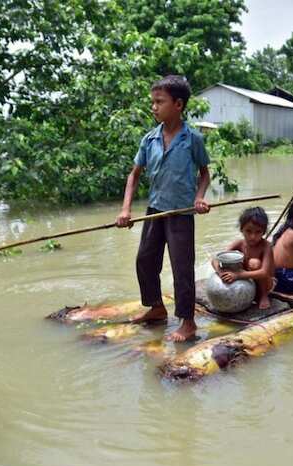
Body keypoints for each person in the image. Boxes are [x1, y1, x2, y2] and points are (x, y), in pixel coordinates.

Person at [115, 75, 210, 342]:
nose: (154, 107)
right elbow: (134, 175)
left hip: (181, 214)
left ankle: (188, 322)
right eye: (153, 102)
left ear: (178, 104)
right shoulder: (149, 139)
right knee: (145, 260)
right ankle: (156, 308)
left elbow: (204, 174)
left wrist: (199, 198)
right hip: (155, 210)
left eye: (160, 102)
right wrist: (125, 210)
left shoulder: (192, 139)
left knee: (182, 267)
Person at [211, 207, 275, 310]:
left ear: (263, 232)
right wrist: (220, 272)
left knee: (254, 263)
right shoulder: (239, 243)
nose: (252, 236)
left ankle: (263, 296)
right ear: (241, 229)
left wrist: (238, 275)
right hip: (248, 279)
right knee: (229, 262)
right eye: (248, 231)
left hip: (266, 283)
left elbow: (264, 272)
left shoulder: (266, 246)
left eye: (258, 232)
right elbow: (216, 259)